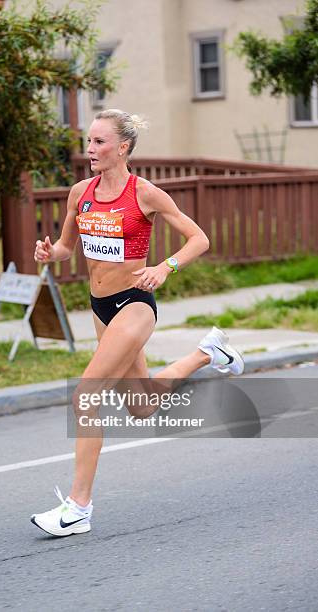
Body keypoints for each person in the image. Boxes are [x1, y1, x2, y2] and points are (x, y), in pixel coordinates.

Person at [30, 108, 244, 537]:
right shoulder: (80, 193)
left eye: (99, 142)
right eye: (88, 142)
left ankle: (78, 509)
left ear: (122, 147)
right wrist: (49, 253)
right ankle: (208, 352)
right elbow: (68, 249)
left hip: (134, 304)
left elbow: (199, 238)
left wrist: (165, 268)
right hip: (99, 306)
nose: (89, 149)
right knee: (141, 405)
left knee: (87, 398)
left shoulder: (144, 193)